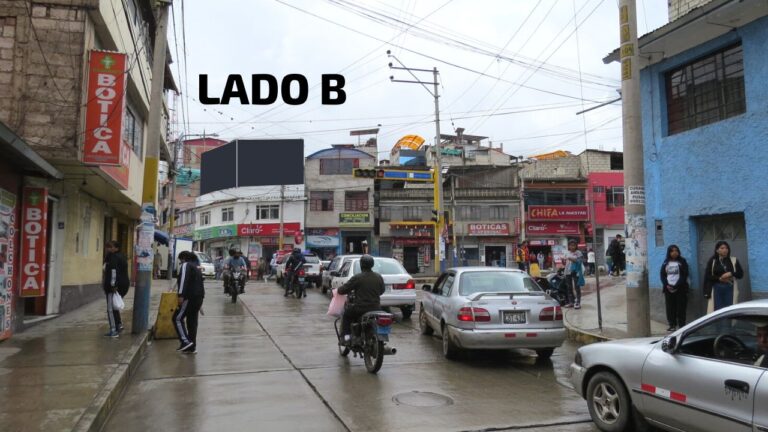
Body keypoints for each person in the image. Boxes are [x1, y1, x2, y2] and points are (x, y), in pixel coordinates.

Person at [337, 255, 385, 344]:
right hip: (376, 308)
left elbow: (343, 290)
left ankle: (346, 337)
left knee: (346, 314)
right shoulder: (378, 277)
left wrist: (338, 290)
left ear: (361, 265)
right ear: (372, 264)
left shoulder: (358, 277)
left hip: (360, 308)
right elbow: (382, 291)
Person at [173, 251, 205, 353]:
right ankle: (192, 346)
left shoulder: (186, 265)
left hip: (189, 297)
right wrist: (200, 304)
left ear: (183, 258)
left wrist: (181, 295)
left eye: (180, 260)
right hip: (198, 298)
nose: (180, 262)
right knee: (192, 322)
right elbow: (200, 284)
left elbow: (183, 280)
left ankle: (185, 342)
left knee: (177, 318)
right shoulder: (196, 266)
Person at [704, 240, 744, 312]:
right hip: (717, 288)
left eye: (726, 248)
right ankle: (719, 323)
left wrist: (731, 273)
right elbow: (708, 276)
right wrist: (719, 279)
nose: (725, 250)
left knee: (729, 310)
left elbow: (740, 274)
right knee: (718, 311)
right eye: (722, 248)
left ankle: (728, 323)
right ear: (717, 250)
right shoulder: (713, 261)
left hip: (730, 288)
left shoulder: (733, 260)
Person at [103, 240, 130, 337]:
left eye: (110, 247)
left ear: (116, 248)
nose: (108, 248)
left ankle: (113, 330)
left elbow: (113, 272)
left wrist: (113, 285)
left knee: (110, 308)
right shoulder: (122, 256)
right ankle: (119, 325)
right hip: (124, 285)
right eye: (107, 246)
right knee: (115, 306)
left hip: (114, 286)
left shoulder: (114, 257)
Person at [659, 245, 689, 332]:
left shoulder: (682, 261)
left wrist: (677, 285)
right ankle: (672, 325)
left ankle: (682, 325)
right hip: (668, 289)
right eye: (672, 251)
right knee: (670, 308)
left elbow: (685, 274)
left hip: (680, 288)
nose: (674, 252)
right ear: (669, 252)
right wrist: (666, 284)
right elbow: (662, 274)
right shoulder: (666, 262)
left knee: (681, 308)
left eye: (676, 250)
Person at [562, 240, 585, 309]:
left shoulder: (578, 253)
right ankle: (571, 302)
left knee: (577, 287)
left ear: (576, 246)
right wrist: (563, 260)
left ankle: (578, 302)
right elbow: (564, 263)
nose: (572, 247)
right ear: (568, 246)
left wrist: (571, 259)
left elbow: (580, 261)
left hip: (576, 272)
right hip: (567, 271)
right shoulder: (566, 252)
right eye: (570, 245)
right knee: (569, 287)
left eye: (573, 245)